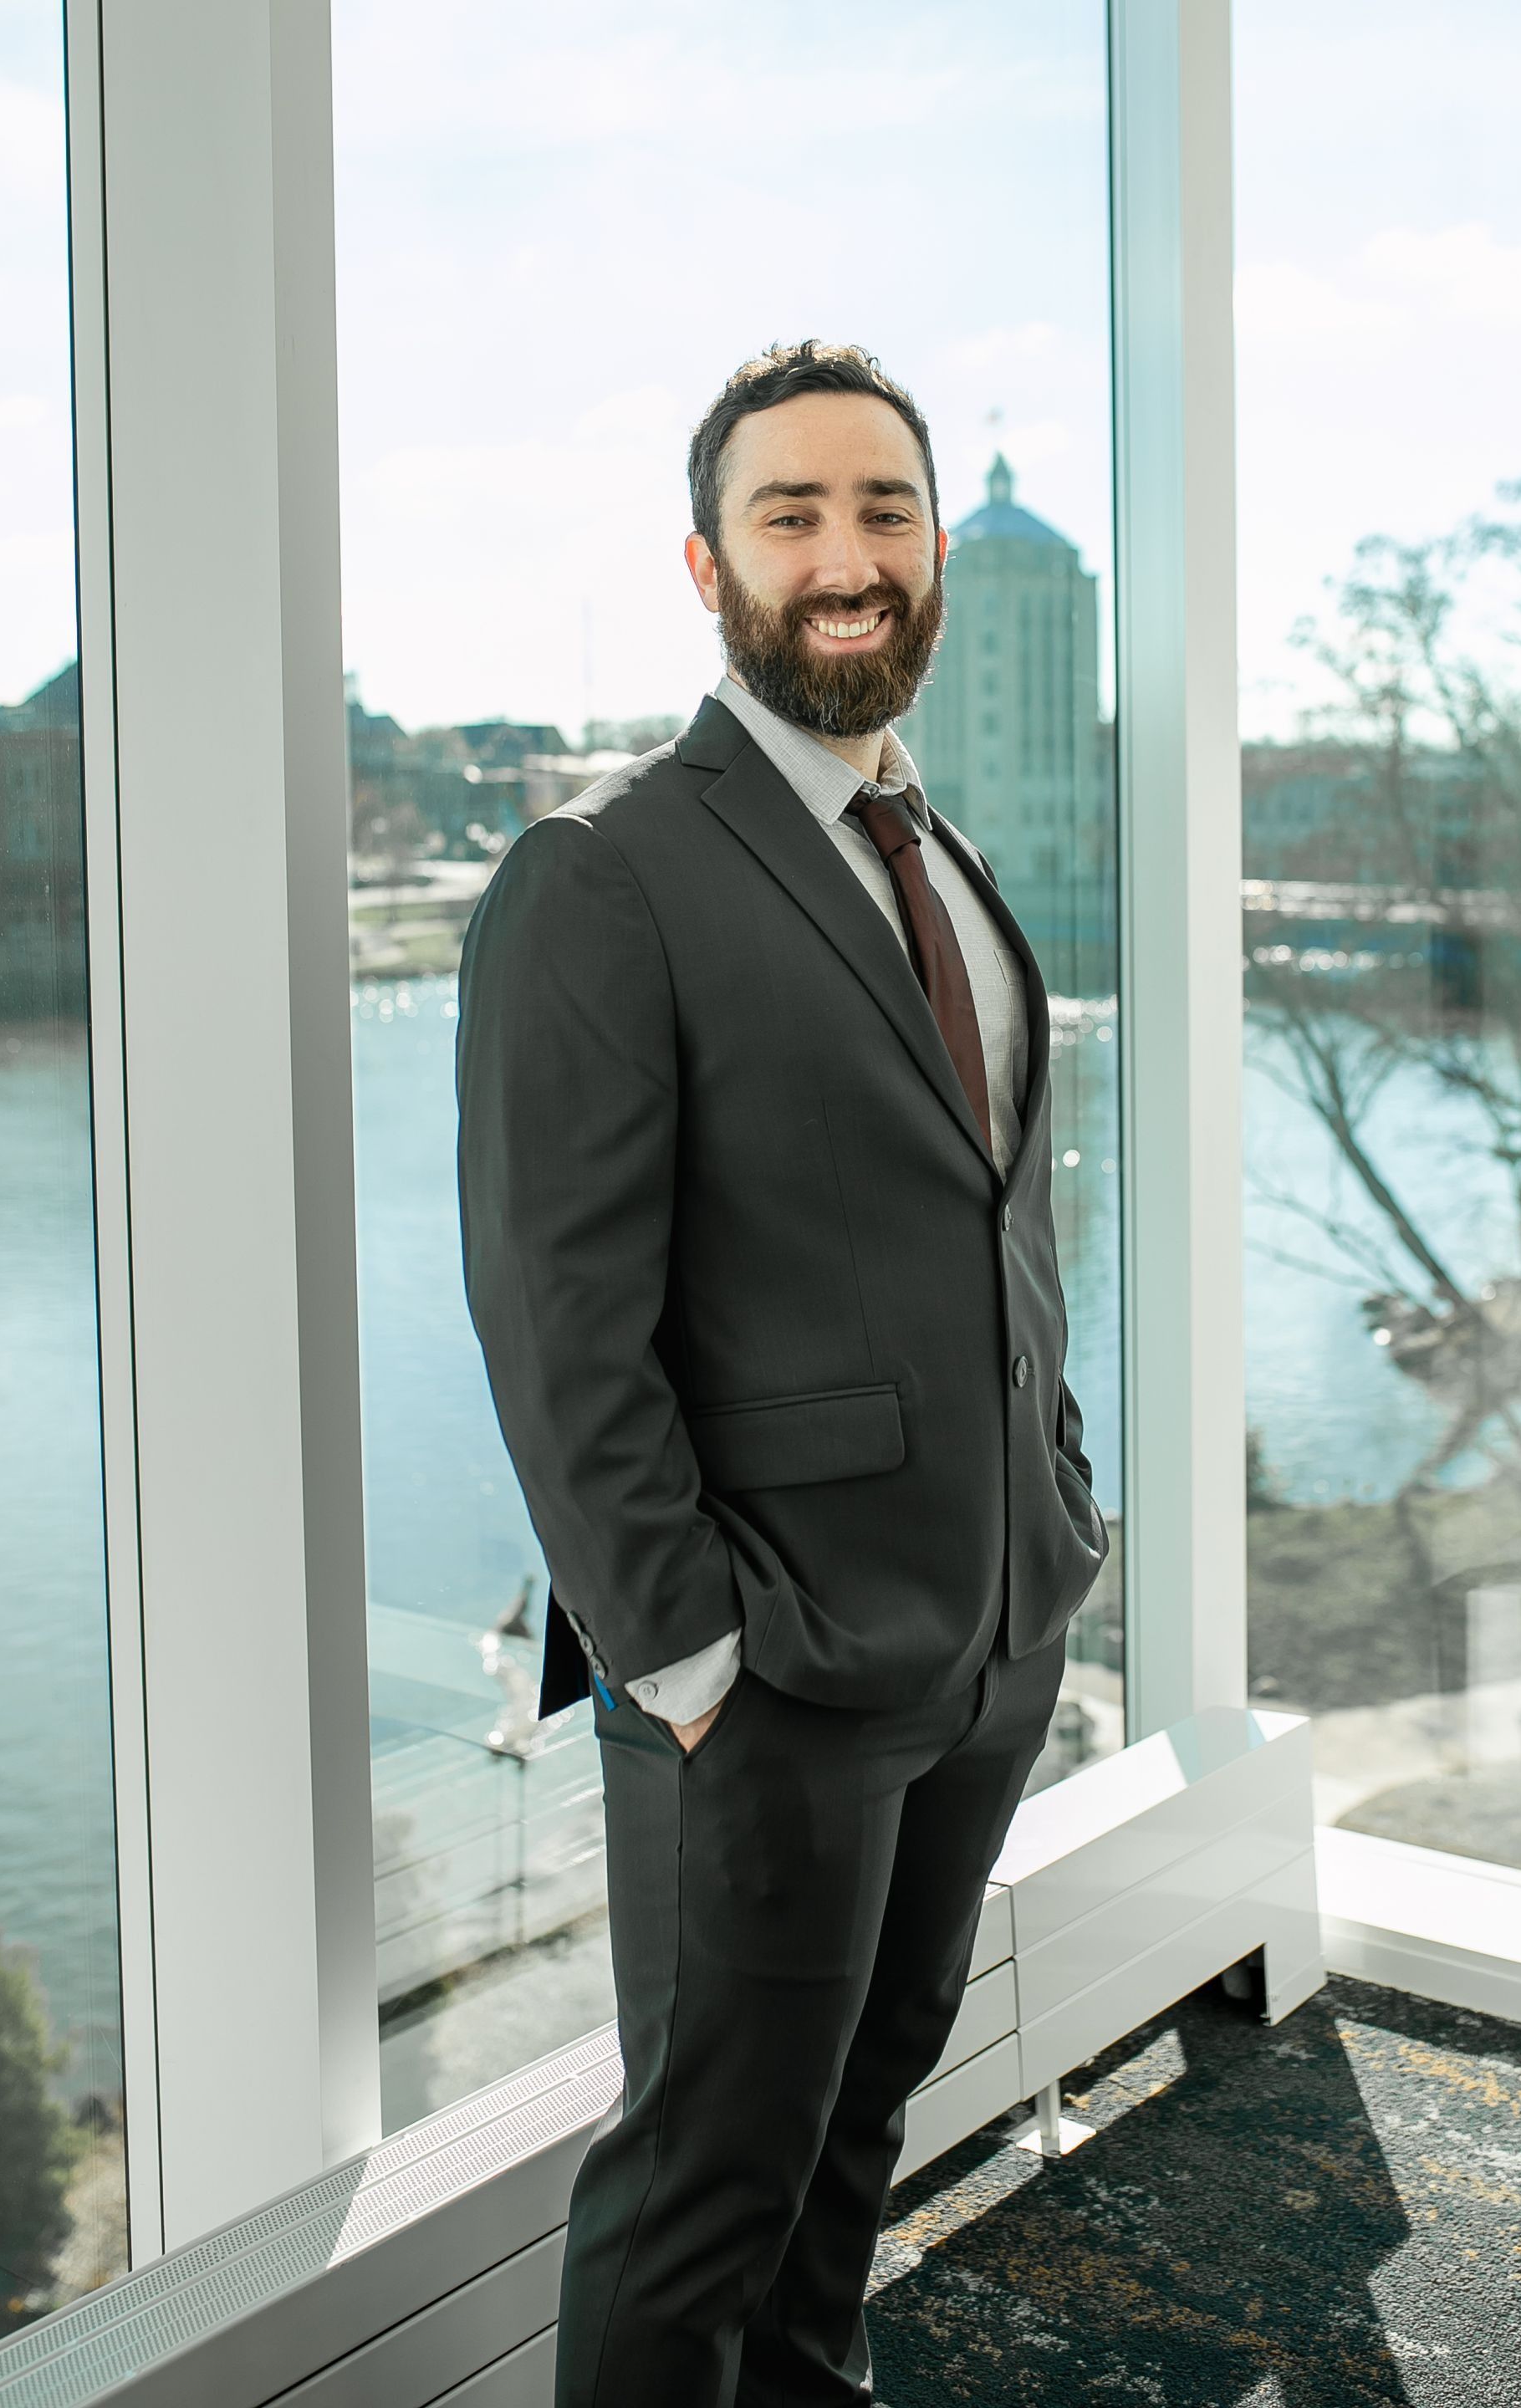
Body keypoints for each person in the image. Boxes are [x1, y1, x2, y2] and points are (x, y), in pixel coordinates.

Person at [457, 339, 1107, 2408]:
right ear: (708, 563)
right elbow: (561, 1327)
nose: (848, 555)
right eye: (793, 514)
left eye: (883, 512)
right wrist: (689, 1667)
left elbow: (992, 1229)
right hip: (774, 1693)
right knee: (700, 2202)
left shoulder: (953, 861)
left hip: (986, 1649)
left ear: (936, 559)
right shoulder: (606, 873)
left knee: (850, 2163)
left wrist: (1059, 1527)